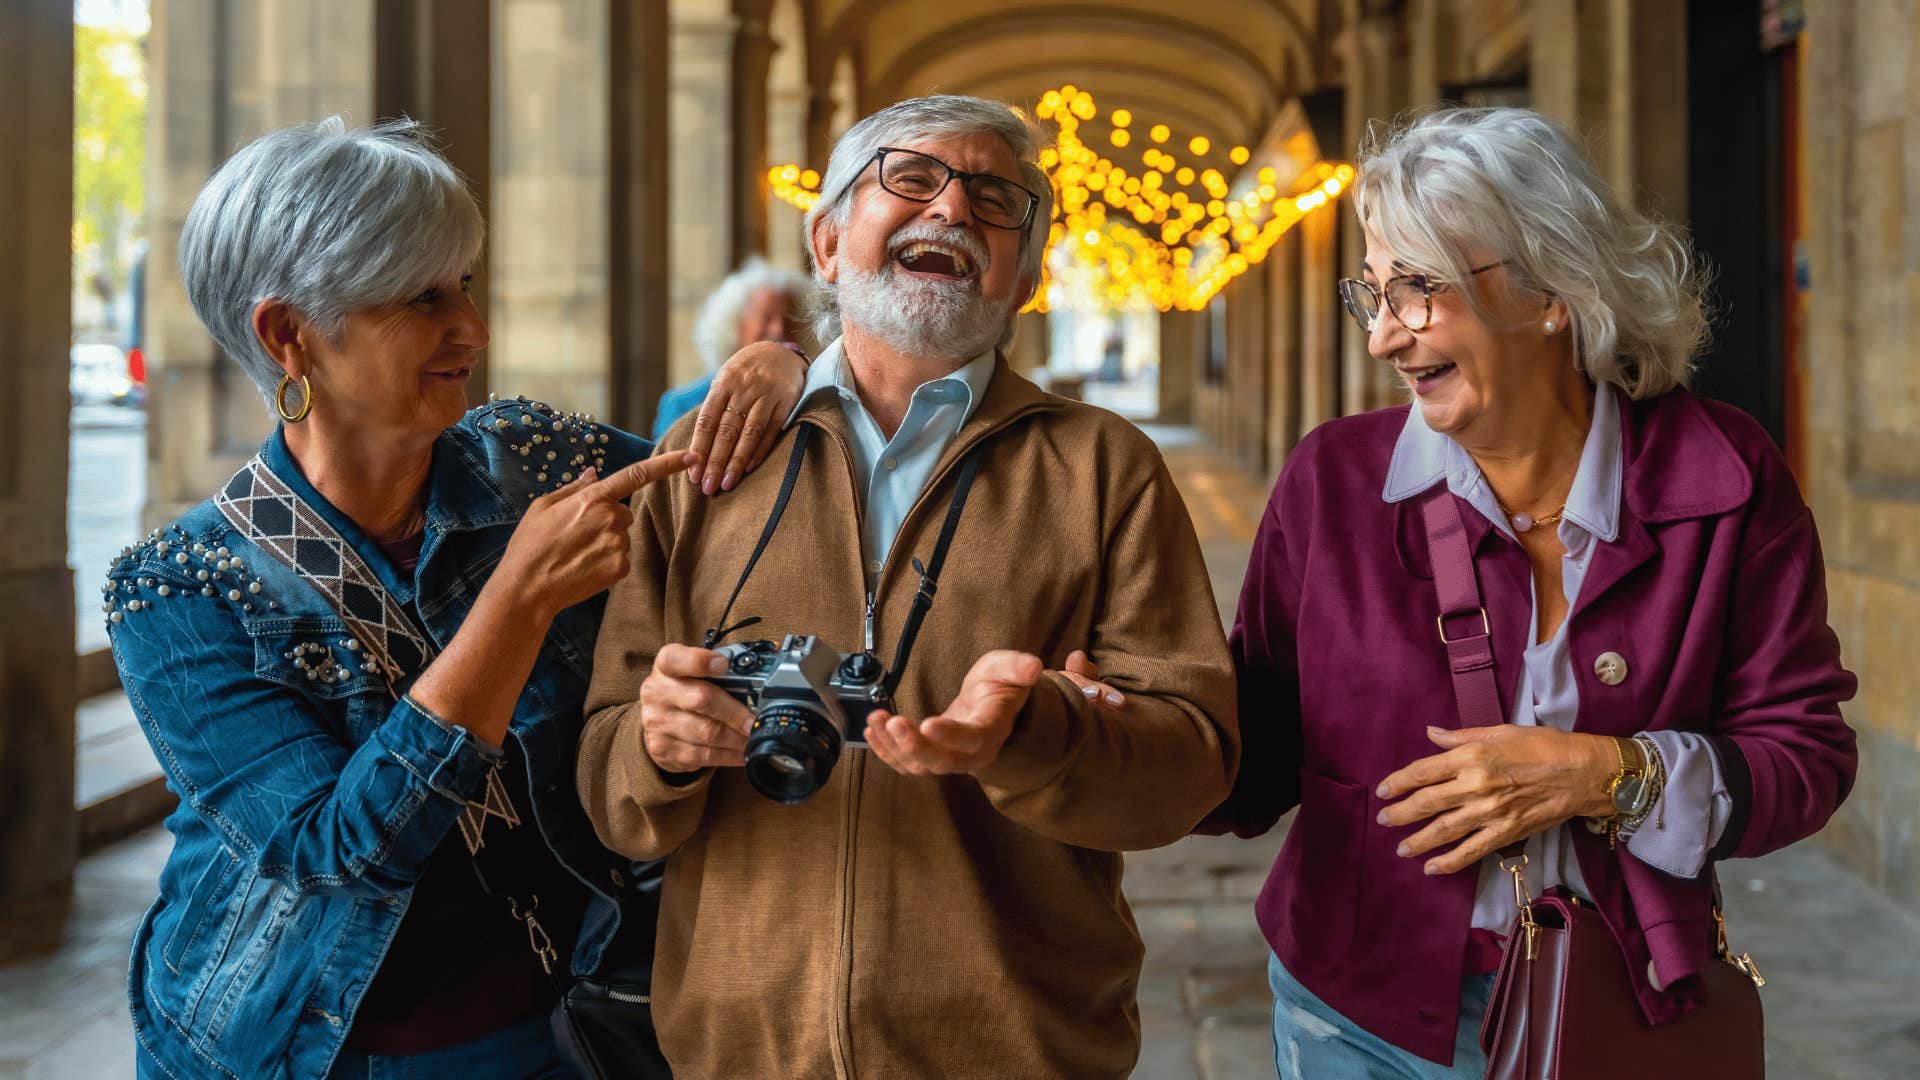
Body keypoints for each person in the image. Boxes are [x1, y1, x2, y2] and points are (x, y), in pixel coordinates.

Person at [105, 117, 804, 1079]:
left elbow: (753, 500)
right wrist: (513, 605)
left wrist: (796, 367)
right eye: (421, 297)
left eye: (466, 284)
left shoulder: (533, 459)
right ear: (286, 334)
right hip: (306, 1049)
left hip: (567, 1013)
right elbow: (339, 856)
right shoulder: (180, 590)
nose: (472, 329)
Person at [576, 94, 1239, 1079]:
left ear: (1027, 277)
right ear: (829, 239)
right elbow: (608, 780)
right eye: (912, 178)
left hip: (1016, 1046)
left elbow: (1192, 766)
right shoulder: (706, 458)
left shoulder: (1106, 468)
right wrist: (658, 746)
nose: (954, 211)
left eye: (996, 200)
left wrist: (1036, 731)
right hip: (741, 1045)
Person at [1215, 106, 1859, 1078]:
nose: (1386, 336)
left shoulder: (1722, 475)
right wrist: (1111, 730)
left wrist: (1606, 774)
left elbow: (1804, 757)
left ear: (1554, 287)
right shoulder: (1331, 483)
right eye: (1372, 294)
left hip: (1620, 1009)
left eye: (1419, 289)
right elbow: (1248, 751)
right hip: (1356, 1017)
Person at [653, 256, 810, 439]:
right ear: (736, 326)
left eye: (789, 318)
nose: (779, 328)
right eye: (766, 318)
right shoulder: (683, 403)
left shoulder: (811, 394)